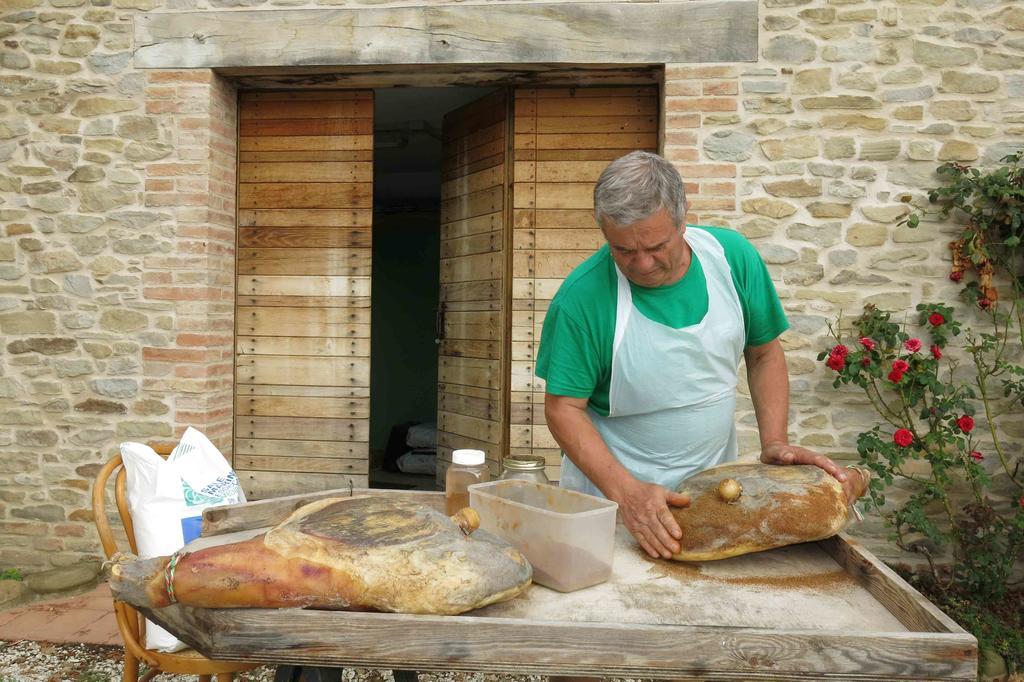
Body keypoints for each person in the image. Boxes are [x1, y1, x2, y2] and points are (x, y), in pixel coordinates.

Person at [535, 150, 856, 560]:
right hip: (613, 505)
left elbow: (764, 355)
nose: (643, 264)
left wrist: (774, 442)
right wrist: (627, 494)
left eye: (655, 246)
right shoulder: (581, 300)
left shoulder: (731, 259)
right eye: (624, 251)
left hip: (715, 494)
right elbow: (563, 409)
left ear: (683, 219)